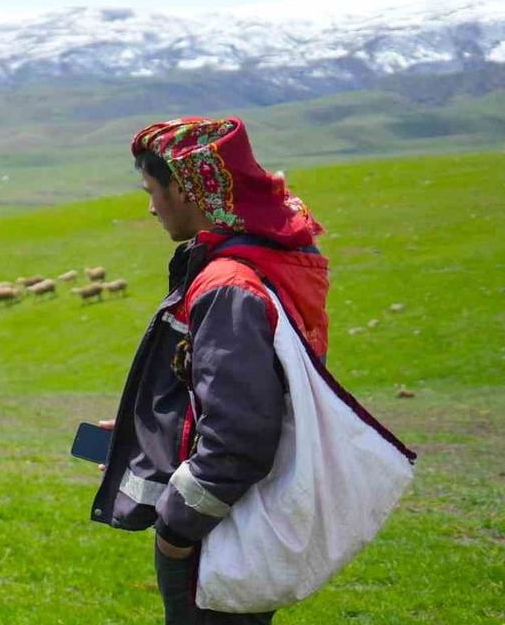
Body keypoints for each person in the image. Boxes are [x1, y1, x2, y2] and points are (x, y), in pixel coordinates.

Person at [90, 116, 330, 624]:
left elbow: (238, 436)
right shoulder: (256, 264)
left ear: (181, 188)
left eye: (151, 191)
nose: (152, 207)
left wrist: (177, 531)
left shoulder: (228, 286)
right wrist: (153, 432)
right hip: (243, 515)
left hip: (217, 528)